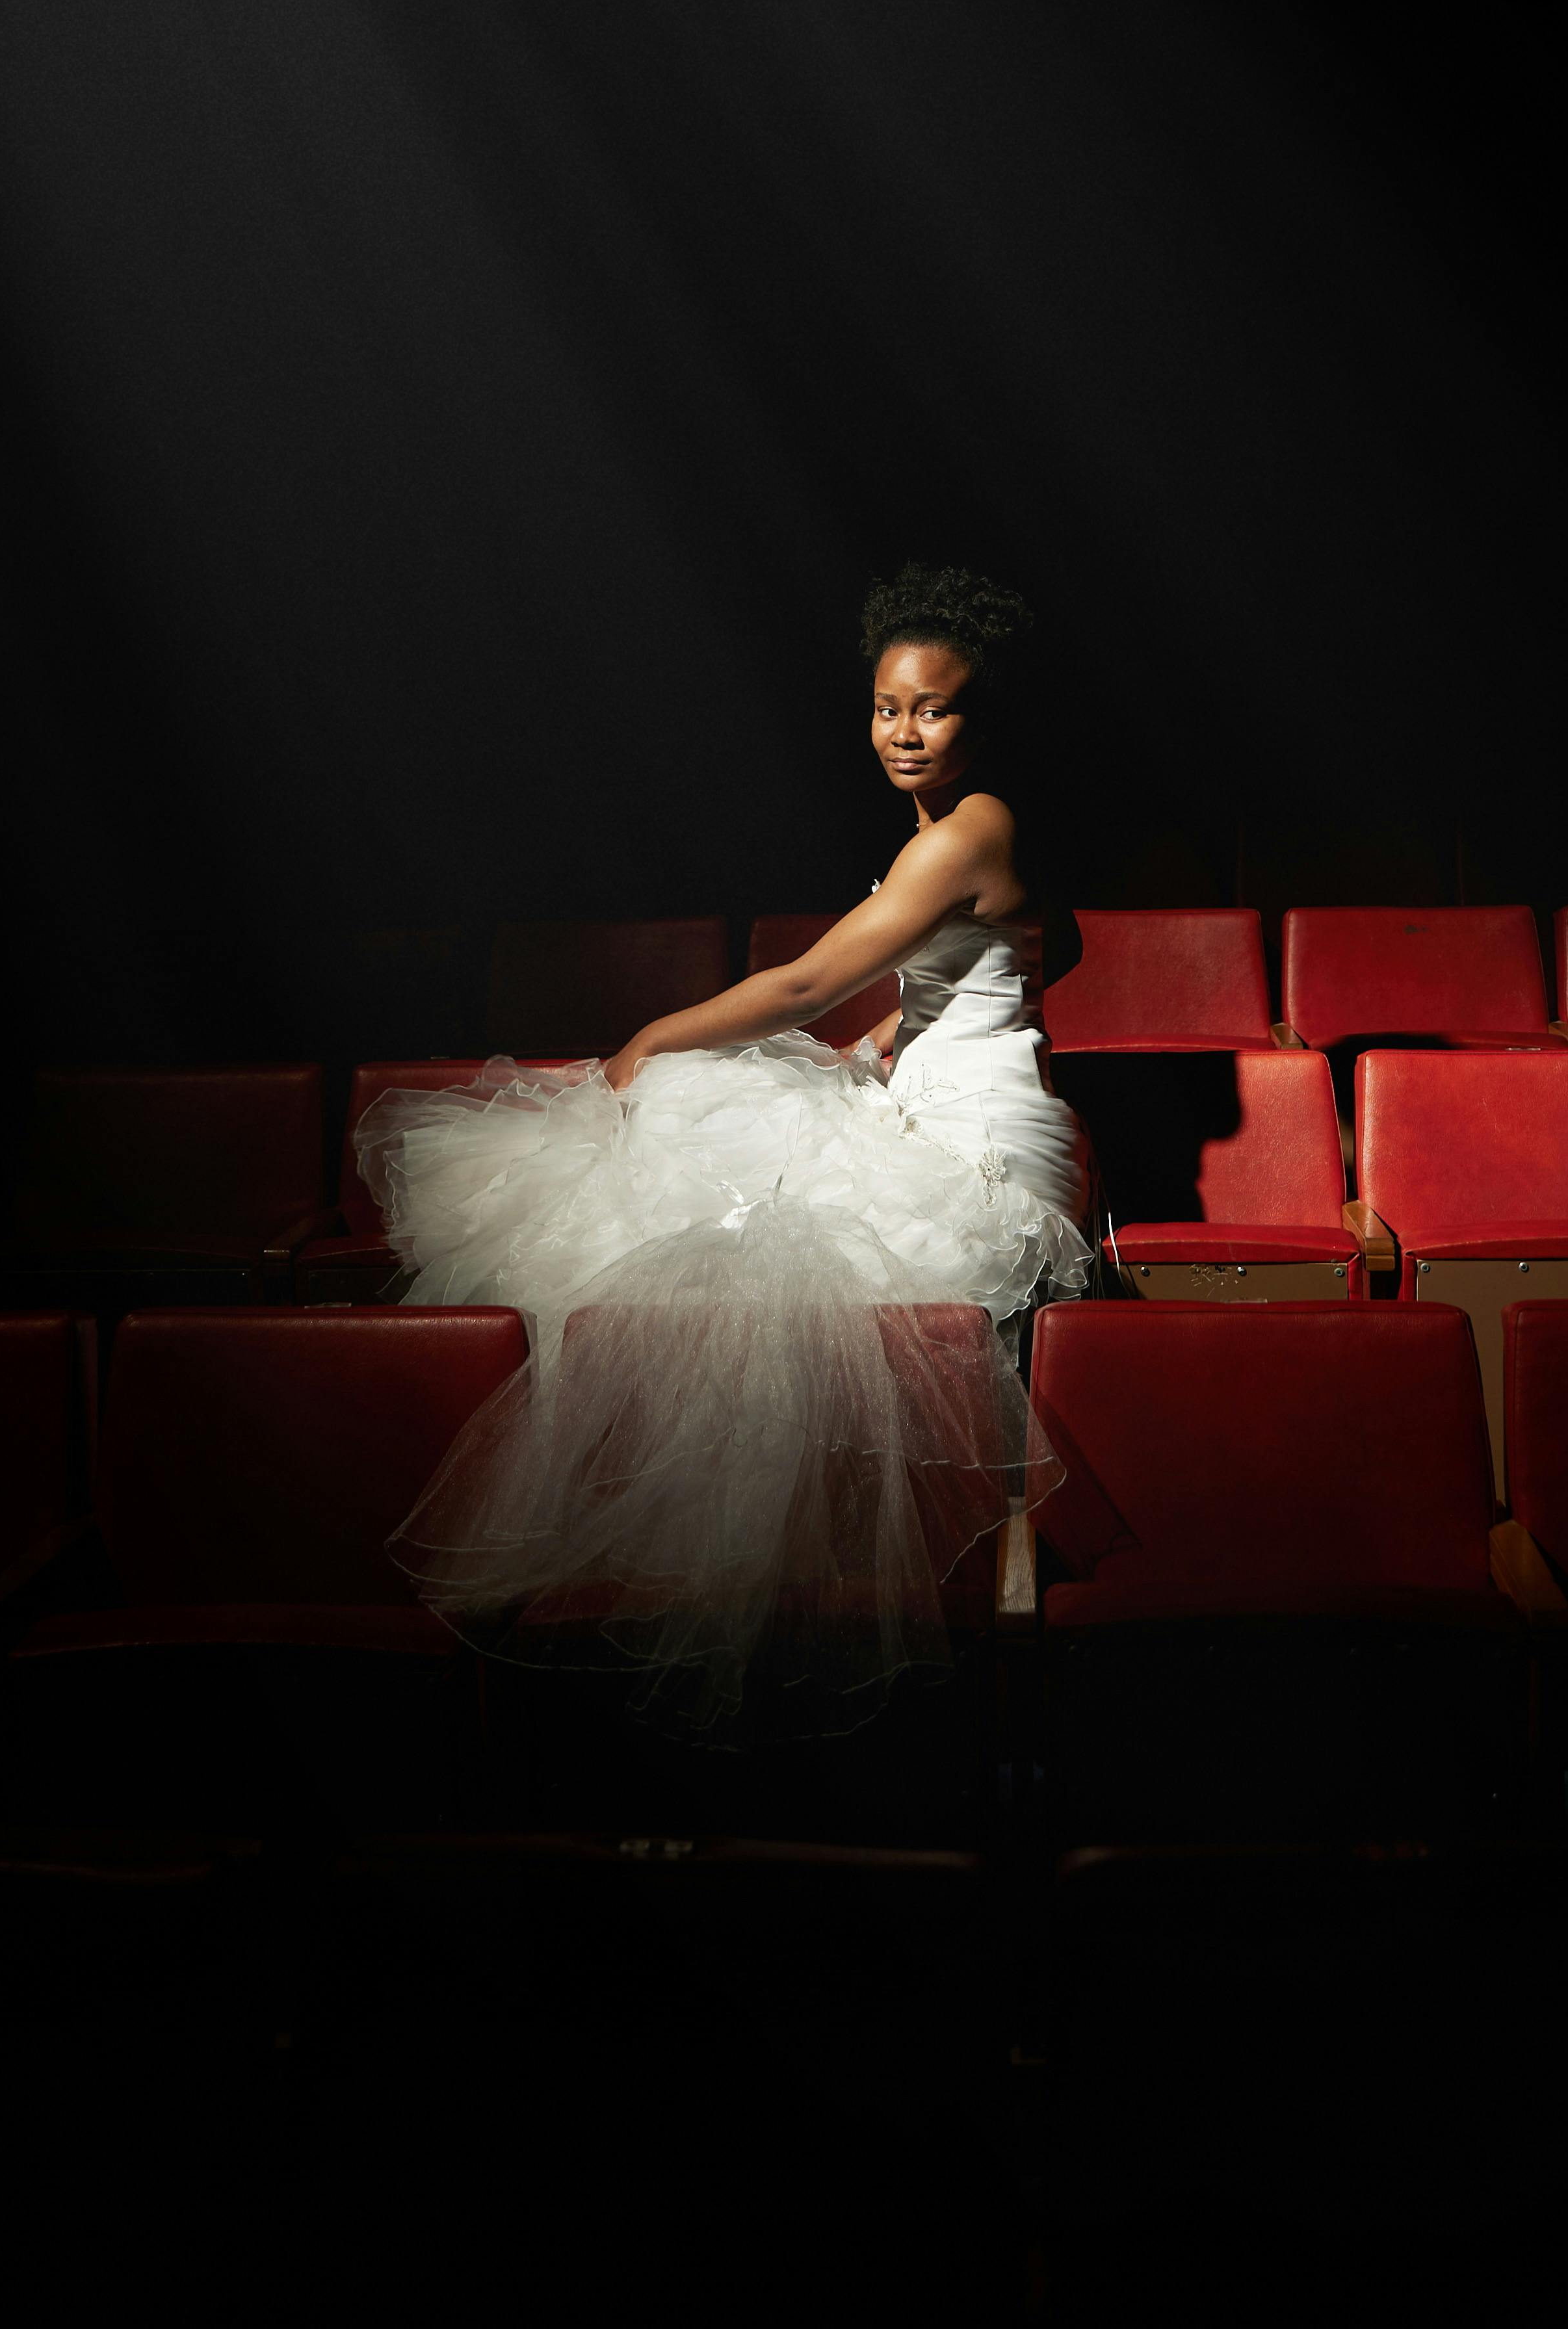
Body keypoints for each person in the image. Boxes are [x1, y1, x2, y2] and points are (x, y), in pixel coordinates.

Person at [358, 561, 1093, 1739]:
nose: (904, 732)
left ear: (982, 718)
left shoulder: (975, 830)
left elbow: (806, 980)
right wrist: (864, 1058)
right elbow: (939, 993)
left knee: (706, 1128)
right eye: (887, 707)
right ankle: (768, 1630)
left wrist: (648, 1039)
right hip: (935, 1096)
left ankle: (848, 1652)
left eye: (935, 707)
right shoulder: (948, 833)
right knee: (720, 1224)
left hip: (984, 1142)